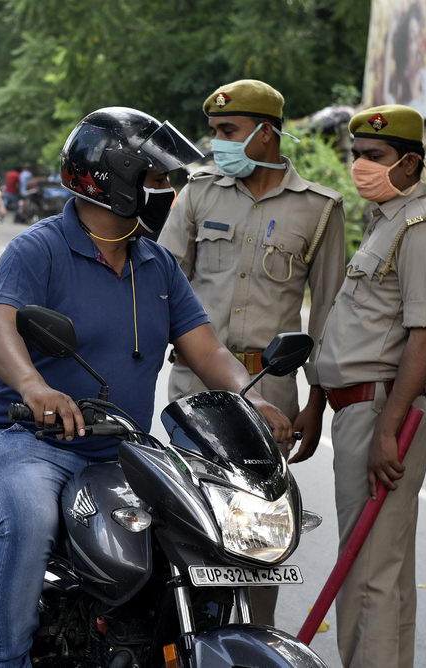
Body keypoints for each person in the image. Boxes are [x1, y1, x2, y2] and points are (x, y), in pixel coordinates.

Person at [0, 107, 293, 668]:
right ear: (112, 180)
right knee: (30, 522)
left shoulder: (157, 263)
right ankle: (6, 660)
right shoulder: (37, 248)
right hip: (24, 439)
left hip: (118, 449)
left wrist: (252, 396)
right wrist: (35, 388)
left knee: (191, 532)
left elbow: (207, 348)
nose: (166, 192)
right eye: (155, 179)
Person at [157, 78, 347, 625]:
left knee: (259, 524)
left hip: (274, 392)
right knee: (189, 518)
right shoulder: (198, 191)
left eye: (227, 131)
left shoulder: (319, 208)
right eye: (215, 131)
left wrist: (318, 404)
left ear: (266, 134)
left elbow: (328, 313)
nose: (216, 141)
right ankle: (184, 635)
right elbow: (164, 282)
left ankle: (253, 637)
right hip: (195, 386)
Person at [295, 105, 426, 668]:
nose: (361, 165)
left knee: (366, 576)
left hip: (383, 412)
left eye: (375, 156)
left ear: (411, 163)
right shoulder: (385, 219)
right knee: (378, 570)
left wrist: (390, 428)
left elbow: (425, 336)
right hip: (357, 410)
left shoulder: (423, 228)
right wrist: (316, 402)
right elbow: (348, 328)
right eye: (357, 154)